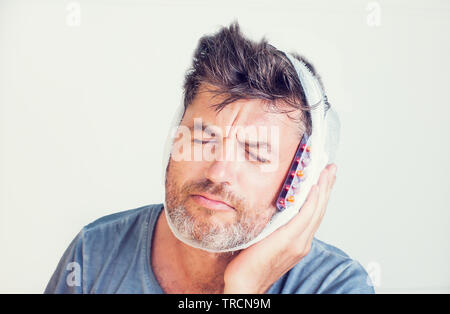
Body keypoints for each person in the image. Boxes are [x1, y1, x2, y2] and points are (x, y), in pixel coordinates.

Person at [44, 22, 374, 294]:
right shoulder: (93, 254)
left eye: (256, 153)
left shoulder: (337, 286)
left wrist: (244, 291)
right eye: (202, 138)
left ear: (298, 181)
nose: (219, 172)